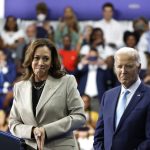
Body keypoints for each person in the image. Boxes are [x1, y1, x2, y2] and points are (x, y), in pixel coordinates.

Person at [9, 38, 86, 150]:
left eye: (46, 59)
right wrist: (32, 131)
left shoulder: (67, 81)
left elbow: (79, 116)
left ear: (51, 62)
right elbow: (13, 123)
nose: (40, 63)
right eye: (36, 58)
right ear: (30, 60)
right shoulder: (19, 87)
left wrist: (46, 130)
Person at [94, 47, 150, 150]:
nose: (123, 71)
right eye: (119, 66)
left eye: (128, 66)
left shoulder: (148, 96)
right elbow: (99, 136)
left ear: (139, 67)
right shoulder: (108, 96)